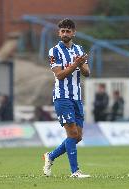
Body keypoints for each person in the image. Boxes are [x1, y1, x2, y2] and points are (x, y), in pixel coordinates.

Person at [42, 18, 91, 178]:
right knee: (72, 134)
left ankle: (50, 156)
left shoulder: (79, 49)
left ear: (73, 32)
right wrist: (76, 64)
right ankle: (75, 171)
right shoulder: (54, 51)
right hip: (62, 97)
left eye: (68, 31)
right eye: (62, 31)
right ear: (59, 33)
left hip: (76, 97)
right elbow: (60, 74)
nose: (65, 33)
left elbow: (87, 73)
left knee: (78, 136)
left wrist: (82, 64)